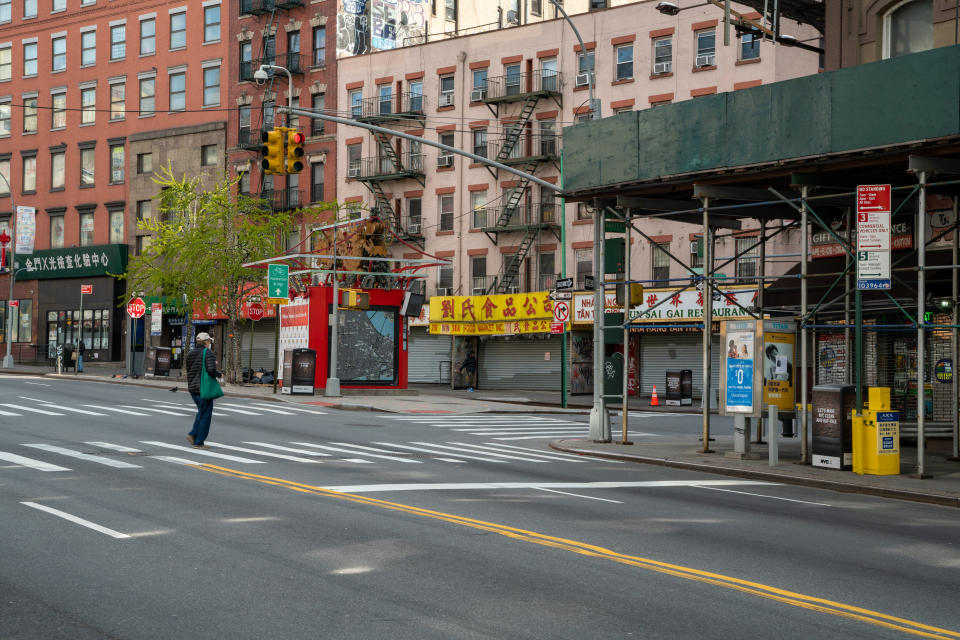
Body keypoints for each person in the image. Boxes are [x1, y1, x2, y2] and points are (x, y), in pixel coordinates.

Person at [185, 332, 222, 449]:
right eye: (209, 341)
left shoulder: (190, 353)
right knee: (205, 415)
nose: (210, 343)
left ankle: (194, 435)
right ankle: (198, 441)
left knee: (201, 412)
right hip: (204, 389)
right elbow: (211, 370)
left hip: (193, 388)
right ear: (206, 342)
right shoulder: (208, 353)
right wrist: (219, 374)